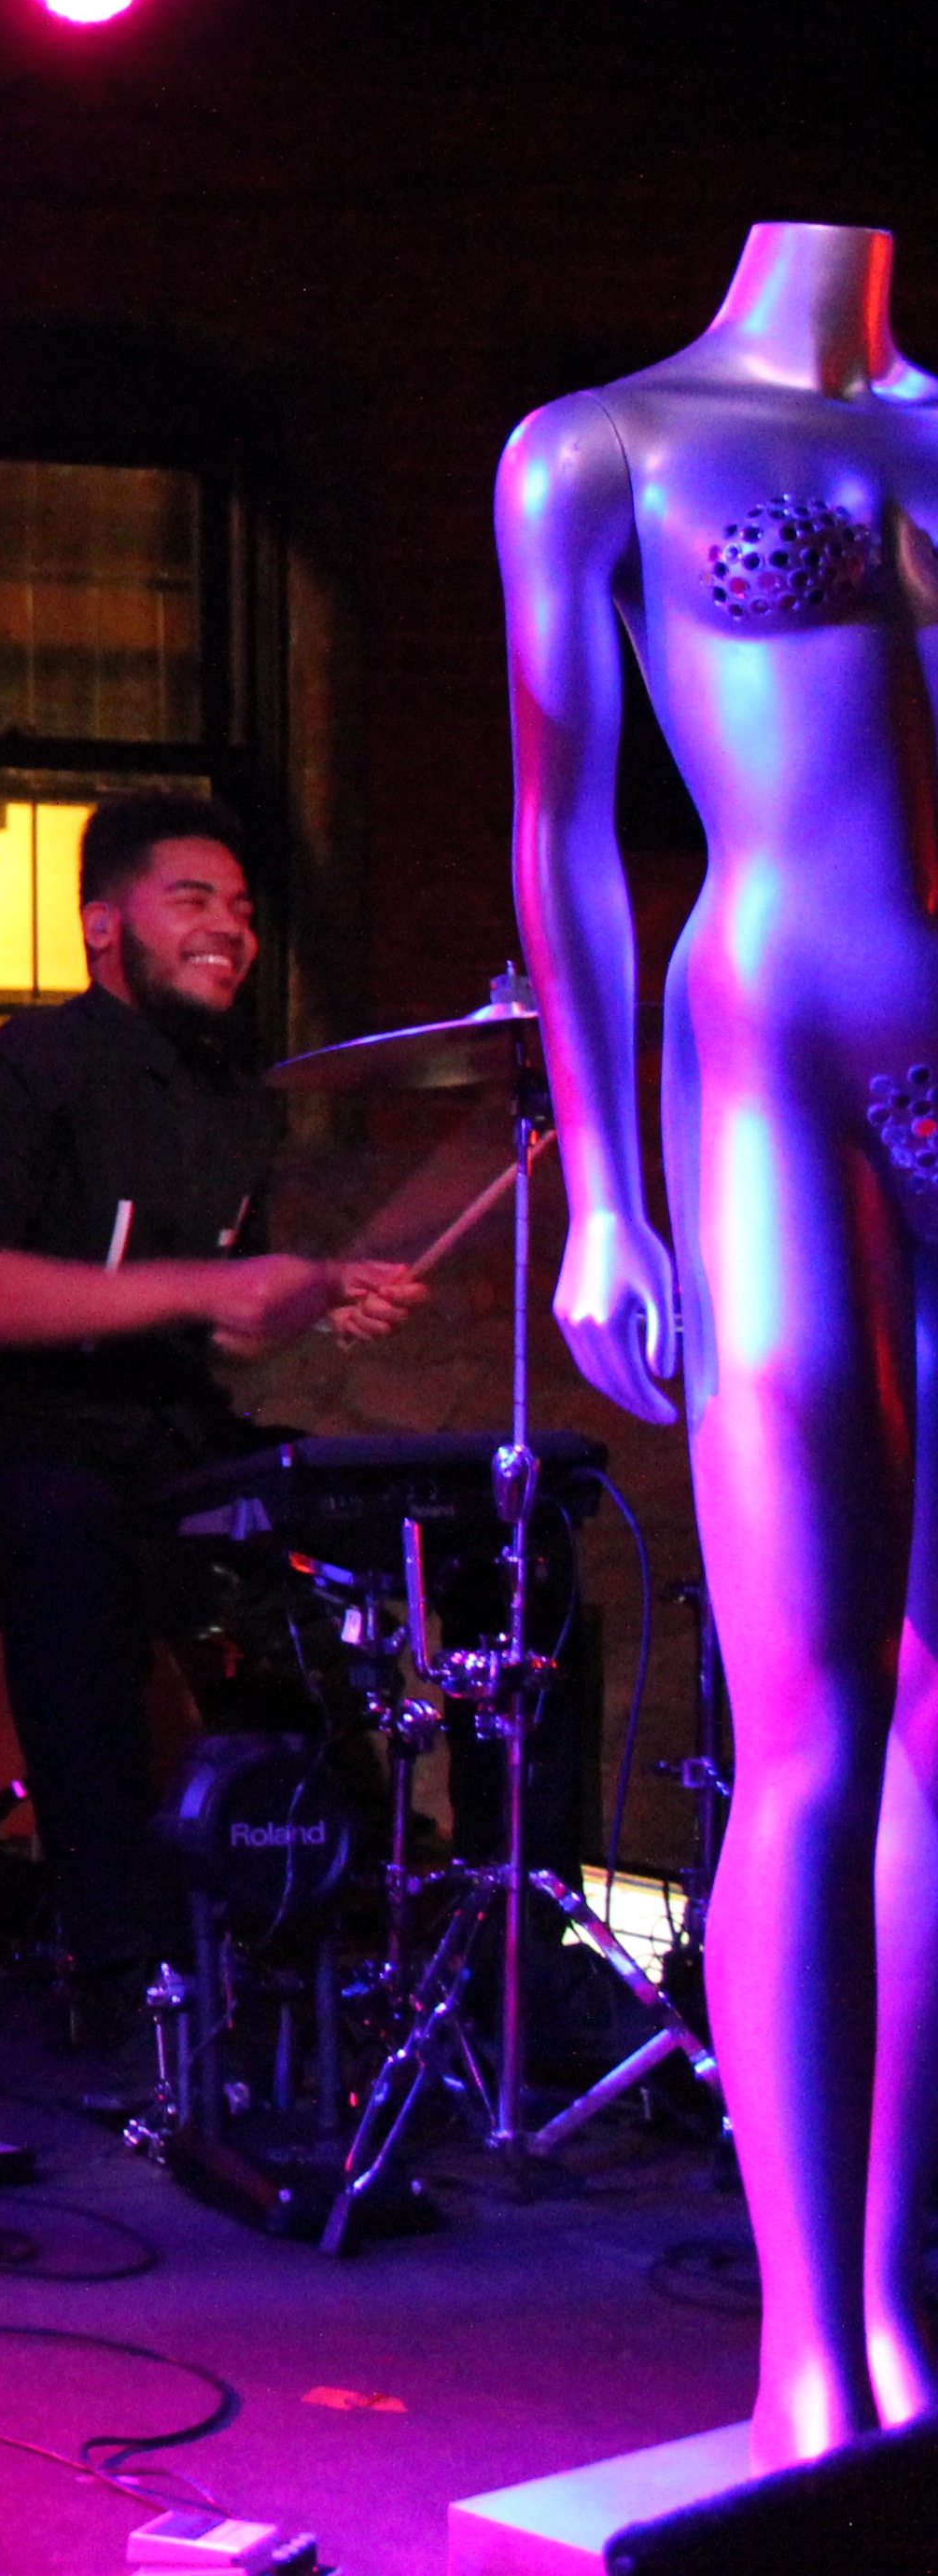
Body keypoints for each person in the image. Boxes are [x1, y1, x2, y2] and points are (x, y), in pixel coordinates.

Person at [506, 219, 938, 2465]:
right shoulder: (610, 447)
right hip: (782, 1063)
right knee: (815, 1726)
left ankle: (897, 2311)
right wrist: (604, 1182)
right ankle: (806, 2344)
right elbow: (562, 822)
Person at [0, 795, 416, 2038]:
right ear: (100, 924)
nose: (231, 929)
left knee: (458, 1512)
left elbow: (230, 1331)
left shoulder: (238, 1104)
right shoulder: (11, 1080)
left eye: (241, 909)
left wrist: (311, 1295)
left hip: (170, 1439)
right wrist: (209, 1289)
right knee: (72, 1538)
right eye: (193, 900)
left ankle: (477, 1926)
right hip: (9, 1439)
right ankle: (124, 1962)